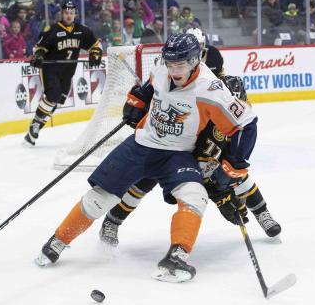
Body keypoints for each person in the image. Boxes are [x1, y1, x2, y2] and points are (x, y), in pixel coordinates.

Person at [35, 33, 258, 283]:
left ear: (195, 61)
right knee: (100, 197)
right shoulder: (162, 68)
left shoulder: (211, 88)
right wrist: (137, 100)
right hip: (141, 145)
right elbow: (148, 88)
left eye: (180, 65)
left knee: (195, 195)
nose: (174, 70)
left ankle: (177, 256)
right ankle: (58, 241)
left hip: (177, 154)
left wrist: (236, 164)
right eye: (171, 64)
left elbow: (247, 123)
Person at [98, 65, 281, 249]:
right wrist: (220, 197)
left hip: (208, 163)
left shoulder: (238, 124)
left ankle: (262, 213)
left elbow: (232, 163)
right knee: (144, 181)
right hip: (178, 156)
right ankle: (112, 220)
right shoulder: (202, 110)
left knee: (239, 176)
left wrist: (223, 191)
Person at [24, 1, 102, 146]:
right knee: (52, 96)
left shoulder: (82, 30)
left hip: (68, 72)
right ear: (62, 13)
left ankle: (32, 133)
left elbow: (95, 45)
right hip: (50, 70)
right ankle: (35, 124)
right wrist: (39, 56)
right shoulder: (53, 30)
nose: (69, 15)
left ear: (75, 15)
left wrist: (96, 54)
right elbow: (40, 47)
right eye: (66, 12)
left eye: (71, 13)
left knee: (58, 100)